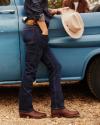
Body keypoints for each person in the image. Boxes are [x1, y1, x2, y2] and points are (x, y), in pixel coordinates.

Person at [19, 0, 80, 119]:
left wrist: (57, 10)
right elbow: (36, 8)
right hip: (36, 32)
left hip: (35, 31)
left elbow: (39, 9)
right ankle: (25, 109)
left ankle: (58, 108)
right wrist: (44, 30)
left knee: (55, 67)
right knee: (30, 71)